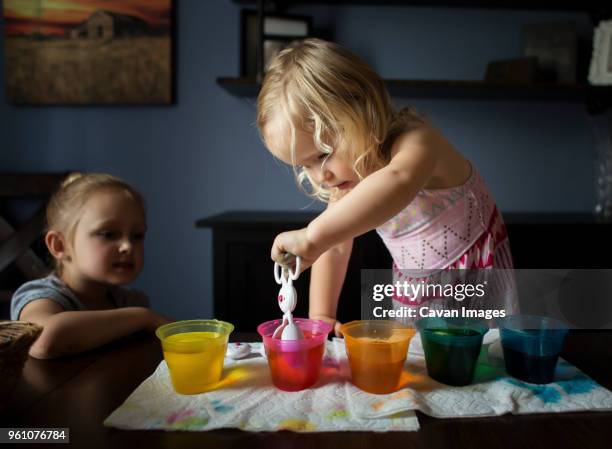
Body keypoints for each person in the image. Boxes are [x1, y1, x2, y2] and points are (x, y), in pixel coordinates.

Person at [256, 38, 517, 335]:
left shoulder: (418, 141)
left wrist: (312, 236)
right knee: (418, 371)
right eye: (305, 165)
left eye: (323, 155)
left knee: (477, 367)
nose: (320, 176)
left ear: (362, 108)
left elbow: (398, 180)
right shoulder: (347, 179)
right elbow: (335, 246)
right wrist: (321, 315)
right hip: (416, 293)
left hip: (470, 282)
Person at [11, 173, 172, 359]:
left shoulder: (131, 301)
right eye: (109, 234)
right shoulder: (40, 296)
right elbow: (43, 340)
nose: (128, 246)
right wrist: (144, 317)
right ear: (59, 245)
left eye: (137, 236)